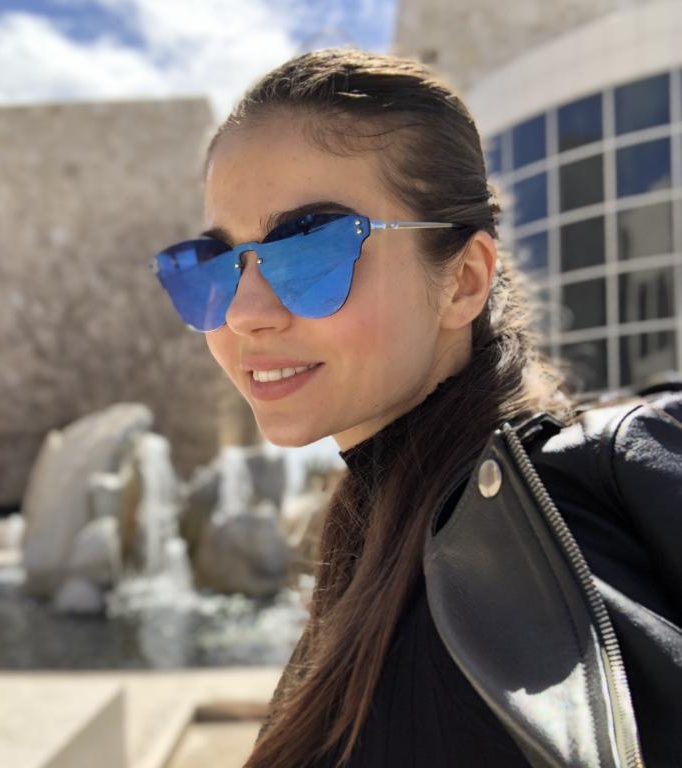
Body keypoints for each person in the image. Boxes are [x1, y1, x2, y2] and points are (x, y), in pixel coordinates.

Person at [152, 49, 682, 768]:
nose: (244, 314)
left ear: (463, 281)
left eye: (310, 250)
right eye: (214, 266)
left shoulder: (547, 543)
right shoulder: (393, 532)